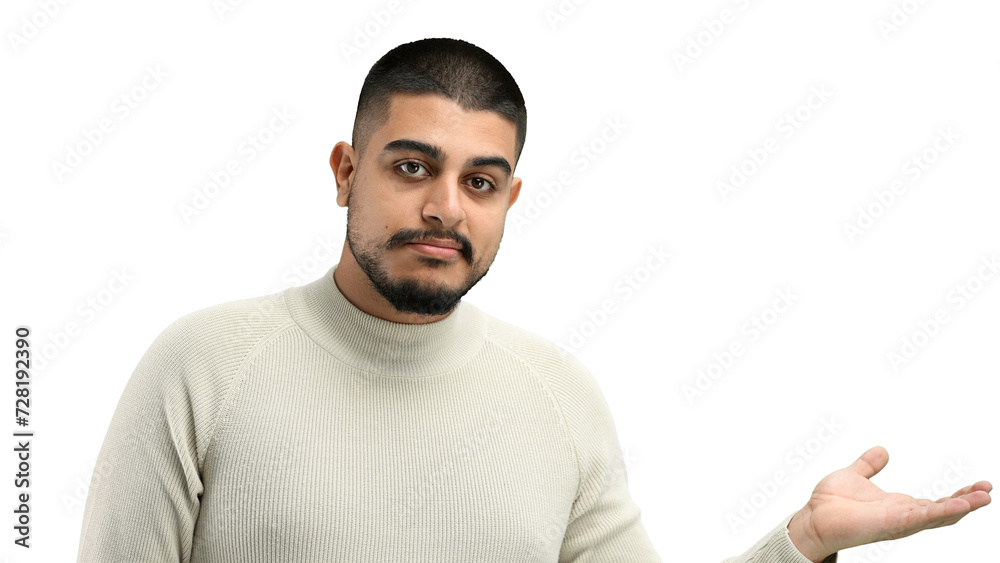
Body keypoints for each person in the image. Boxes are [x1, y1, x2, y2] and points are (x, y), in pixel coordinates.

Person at [77, 37, 991, 563]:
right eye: (411, 167)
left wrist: (800, 541)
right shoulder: (202, 367)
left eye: (481, 181)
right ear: (345, 171)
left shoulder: (557, 396)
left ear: (509, 199)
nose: (443, 206)